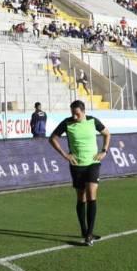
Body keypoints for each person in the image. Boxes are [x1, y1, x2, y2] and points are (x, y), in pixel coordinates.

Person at [49, 101, 109, 246]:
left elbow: (107, 134)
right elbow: (52, 139)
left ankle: (89, 234)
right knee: (81, 197)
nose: (75, 117)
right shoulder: (67, 123)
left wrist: (104, 151)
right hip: (76, 165)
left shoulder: (93, 121)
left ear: (83, 111)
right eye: (72, 114)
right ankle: (84, 230)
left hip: (93, 163)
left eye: (77, 114)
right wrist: (65, 155)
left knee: (91, 195)